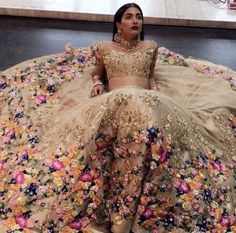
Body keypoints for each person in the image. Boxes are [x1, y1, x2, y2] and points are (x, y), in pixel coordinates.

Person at [0, 2, 236, 233]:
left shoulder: (150, 47)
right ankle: (120, 207)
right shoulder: (104, 48)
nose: (136, 21)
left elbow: (151, 77)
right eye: (130, 17)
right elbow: (97, 73)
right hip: (113, 100)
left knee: (156, 134)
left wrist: (155, 93)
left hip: (147, 100)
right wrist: (96, 84)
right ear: (118, 23)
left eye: (139, 17)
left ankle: (139, 207)